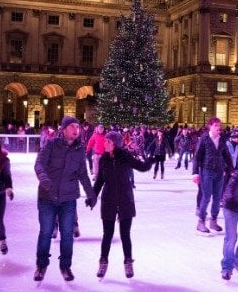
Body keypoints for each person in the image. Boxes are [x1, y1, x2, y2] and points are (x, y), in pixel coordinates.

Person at [33, 116, 97, 282]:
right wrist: (43, 178)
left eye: (78, 126)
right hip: (47, 196)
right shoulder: (51, 144)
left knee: (67, 234)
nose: (76, 129)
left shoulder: (80, 149)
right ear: (63, 129)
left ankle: (66, 266)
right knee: (46, 232)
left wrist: (91, 193)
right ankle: (41, 265)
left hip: (68, 198)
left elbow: (83, 174)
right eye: (72, 126)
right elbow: (39, 164)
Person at [92, 131, 153, 279]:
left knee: (125, 235)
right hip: (109, 200)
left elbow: (142, 167)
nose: (104, 143)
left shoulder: (125, 157)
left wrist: (150, 161)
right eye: (105, 140)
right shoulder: (103, 160)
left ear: (115, 144)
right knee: (107, 234)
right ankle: (103, 262)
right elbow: (100, 180)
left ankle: (128, 263)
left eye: (108, 141)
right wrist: (92, 196)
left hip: (125, 200)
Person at [192, 117, 233, 235]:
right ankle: (201, 222)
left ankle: (213, 220)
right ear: (210, 126)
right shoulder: (204, 139)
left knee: (217, 197)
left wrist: (231, 169)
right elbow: (197, 157)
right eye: (216, 125)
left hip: (219, 172)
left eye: (219, 125)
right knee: (206, 196)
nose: (218, 128)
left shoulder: (222, 139)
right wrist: (195, 172)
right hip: (207, 171)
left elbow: (226, 155)